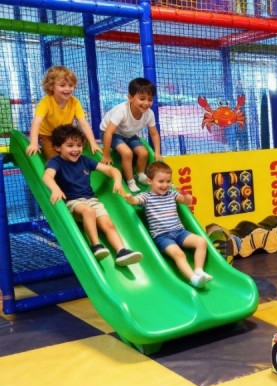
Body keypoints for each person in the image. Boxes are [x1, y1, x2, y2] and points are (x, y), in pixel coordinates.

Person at [42, 125, 142, 266]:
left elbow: (112, 170)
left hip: (91, 200)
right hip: (73, 203)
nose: (76, 149)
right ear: (58, 147)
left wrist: (118, 181)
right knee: (88, 211)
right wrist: (55, 189)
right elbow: (47, 176)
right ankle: (95, 245)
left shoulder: (85, 160)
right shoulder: (55, 162)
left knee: (108, 224)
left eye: (79, 145)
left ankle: (122, 251)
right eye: (70, 146)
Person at [122, 161, 212, 288]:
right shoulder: (146, 197)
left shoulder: (172, 194)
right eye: (161, 181)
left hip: (180, 232)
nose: (165, 185)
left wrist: (183, 192)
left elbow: (188, 202)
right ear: (149, 181)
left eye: (168, 181)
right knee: (179, 254)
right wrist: (130, 198)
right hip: (162, 236)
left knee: (201, 241)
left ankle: (198, 270)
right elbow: (136, 201)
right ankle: (193, 279)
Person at [100, 77, 161, 193]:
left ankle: (140, 175)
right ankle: (130, 181)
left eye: (150, 99)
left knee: (143, 153)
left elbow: (154, 134)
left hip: (129, 134)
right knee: (127, 153)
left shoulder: (149, 114)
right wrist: (106, 155)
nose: (146, 103)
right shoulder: (122, 111)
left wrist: (157, 152)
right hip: (111, 133)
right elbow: (108, 132)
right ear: (130, 97)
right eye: (142, 99)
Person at [26, 66, 101, 159]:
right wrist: (34, 143)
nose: (67, 89)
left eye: (71, 85)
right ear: (51, 86)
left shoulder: (74, 102)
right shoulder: (45, 102)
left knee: (82, 140)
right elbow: (36, 122)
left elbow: (84, 123)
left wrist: (93, 143)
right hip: (48, 135)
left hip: (65, 134)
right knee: (54, 158)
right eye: (62, 85)